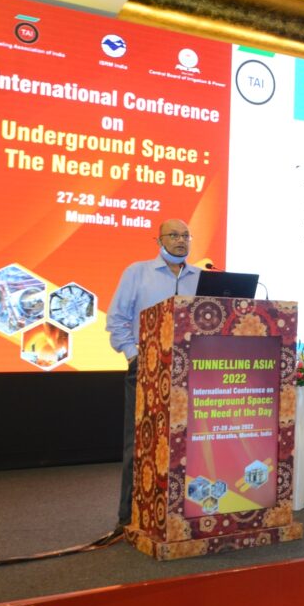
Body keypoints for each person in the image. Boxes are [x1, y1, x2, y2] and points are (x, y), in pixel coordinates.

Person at [105, 219, 201, 528]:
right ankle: (129, 518)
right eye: (173, 235)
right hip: (147, 369)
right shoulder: (138, 272)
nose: (180, 240)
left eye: (185, 235)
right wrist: (134, 355)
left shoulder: (201, 277)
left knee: (187, 444)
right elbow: (116, 319)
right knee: (140, 444)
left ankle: (180, 513)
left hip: (191, 372)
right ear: (158, 240)